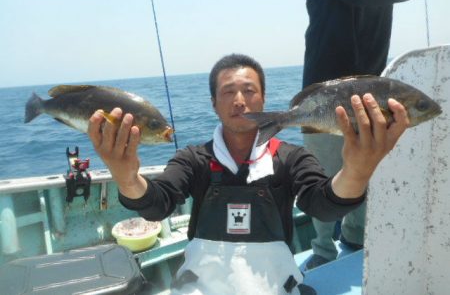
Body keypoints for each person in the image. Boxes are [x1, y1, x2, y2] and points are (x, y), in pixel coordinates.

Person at [87, 53, 409, 295]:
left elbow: (321, 204)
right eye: (228, 92)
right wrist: (126, 175)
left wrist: (357, 170)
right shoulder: (192, 159)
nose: (240, 101)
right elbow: (158, 205)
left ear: (263, 98)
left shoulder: (291, 157)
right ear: (213, 103)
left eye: (249, 90)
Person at [297, 0, 450, 270]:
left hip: (373, 85)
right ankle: (322, 250)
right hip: (324, 90)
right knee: (323, 172)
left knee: (368, 167)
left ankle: (354, 239)